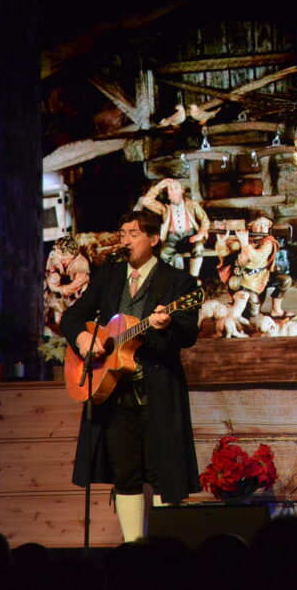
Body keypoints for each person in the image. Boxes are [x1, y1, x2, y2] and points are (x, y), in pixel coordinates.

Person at [60, 209, 201, 543]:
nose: (125, 240)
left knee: (163, 473)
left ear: (153, 239)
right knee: (125, 475)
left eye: (133, 234)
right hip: (112, 394)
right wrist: (83, 338)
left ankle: (163, 553)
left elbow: (188, 334)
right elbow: (73, 316)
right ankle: (133, 549)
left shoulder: (178, 282)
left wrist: (165, 325)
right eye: (122, 233)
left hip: (157, 391)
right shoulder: (109, 277)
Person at [228, 214, 294, 327]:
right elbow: (227, 251)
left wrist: (245, 244)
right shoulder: (243, 240)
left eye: (265, 225)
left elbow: (258, 257)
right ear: (250, 226)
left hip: (263, 276)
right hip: (247, 281)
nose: (262, 228)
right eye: (258, 224)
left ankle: (276, 310)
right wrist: (223, 241)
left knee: (285, 280)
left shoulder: (268, 242)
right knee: (254, 314)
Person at [140, 177, 210, 279]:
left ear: (182, 190)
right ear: (168, 194)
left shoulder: (192, 205)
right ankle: (169, 280)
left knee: (198, 248)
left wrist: (200, 233)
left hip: (190, 235)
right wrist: (160, 185)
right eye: (170, 189)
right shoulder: (165, 208)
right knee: (163, 254)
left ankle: (193, 278)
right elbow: (146, 201)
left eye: (176, 188)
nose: (173, 192)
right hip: (172, 238)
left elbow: (205, 220)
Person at [44, 235, 90, 329]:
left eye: (58, 252)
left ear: (69, 254)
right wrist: (53, 282)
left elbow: (75, 286)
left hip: (78, 297)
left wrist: (58, 289)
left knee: (72, 321)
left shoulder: (81, 264)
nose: (55, 254)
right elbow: (51, 278)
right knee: (57, 320)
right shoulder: (55, 259)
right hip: (60, 296)